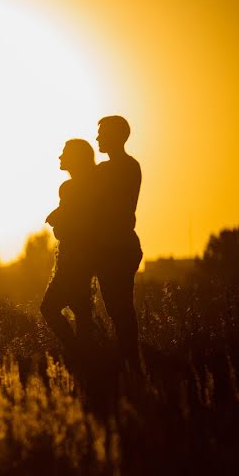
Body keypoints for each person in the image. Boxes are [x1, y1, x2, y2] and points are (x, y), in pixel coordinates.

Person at [41, 139, 102, 363]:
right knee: (82, 313)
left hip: (73, 261)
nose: (60, 157)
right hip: (84, 260)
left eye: (64, 153)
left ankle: (77, 352)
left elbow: (66, 226)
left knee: (49, 308)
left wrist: (59, 220)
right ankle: (88, 357)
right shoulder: (92, 187)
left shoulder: (70, 189)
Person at [94, 115, 143, 366]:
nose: (98, 138)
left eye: (102, 133)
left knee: (120, 308)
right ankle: (128, 359)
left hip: (118, 247)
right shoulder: (125, 167)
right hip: (114, 247)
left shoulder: (122, 168)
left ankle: (130, 360)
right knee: (117, 308)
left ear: (115, 136)